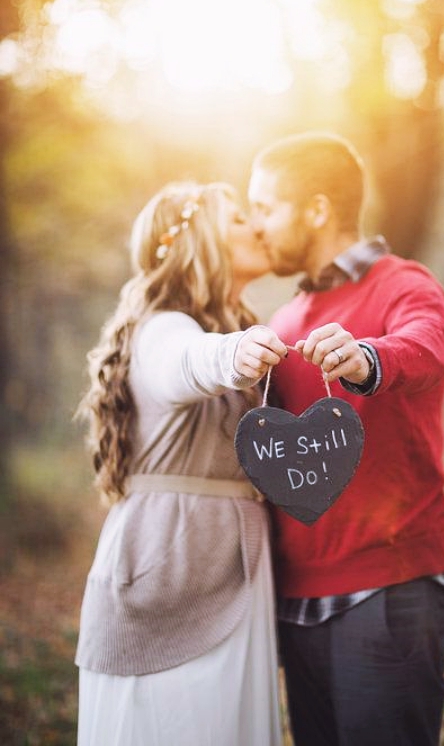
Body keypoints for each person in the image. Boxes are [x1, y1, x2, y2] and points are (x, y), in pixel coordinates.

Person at [248, 131, 444, 746]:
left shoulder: (403, 283)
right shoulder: (283, 320)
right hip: (296, 606)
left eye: (266, 207)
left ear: (316, 209)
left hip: (388, 593)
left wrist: (367, 358)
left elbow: (431, 345)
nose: (258, 226)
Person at [75, 180, 288, 746]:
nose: (258, 227)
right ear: (202, 241)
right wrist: (233, 354)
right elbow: (185, 364)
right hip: (169, 573)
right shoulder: (162, 327)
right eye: (240, 218)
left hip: (231, 567)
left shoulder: (220, 325)